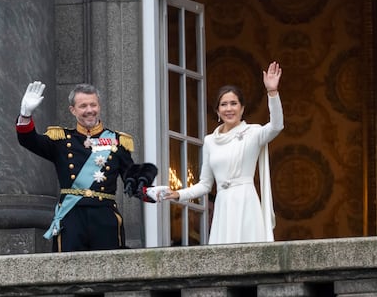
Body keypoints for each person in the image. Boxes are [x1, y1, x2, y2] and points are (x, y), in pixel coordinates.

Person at [16, 82, 153, 252]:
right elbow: (29, 140)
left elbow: (130, 177)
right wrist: (26, 114)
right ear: (73, 110)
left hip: (104, 216)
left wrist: (148, 190)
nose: (89, 110)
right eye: (83, 106)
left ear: (99, 106)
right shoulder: (61, 140)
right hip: (72, 215)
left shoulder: (117, 141)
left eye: (93, 104)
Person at [162, 61, 284, 244]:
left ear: (242, 108)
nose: (229, 108)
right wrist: (179, 194)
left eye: (234, 103)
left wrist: (272, 93)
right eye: (224, 104)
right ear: (217, 111)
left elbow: (276, 126)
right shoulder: (210, 141)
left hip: (245, 201)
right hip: (223, 205)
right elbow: (205, 185)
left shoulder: (252, 133)